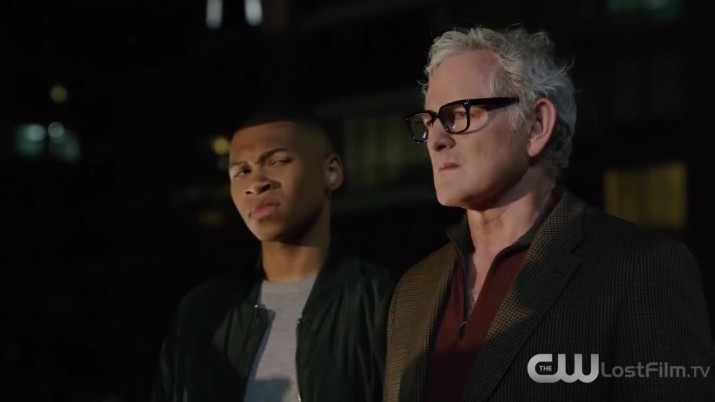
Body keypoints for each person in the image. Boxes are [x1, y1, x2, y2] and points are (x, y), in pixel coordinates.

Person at [384, 25, 714, 401]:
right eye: (429, 122)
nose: (436, 140)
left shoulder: (640, 269)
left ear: (536, 125)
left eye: (458, 114)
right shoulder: (412, 290)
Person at [151, 109, 398, 402]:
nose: (256, 183)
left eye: (278, 161)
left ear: (331, 172)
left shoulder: (382, 301)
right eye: (241, 172)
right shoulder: (202, 313)